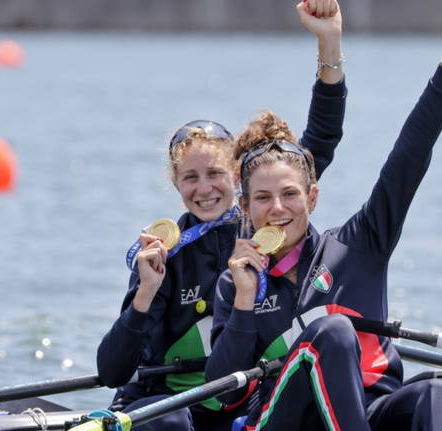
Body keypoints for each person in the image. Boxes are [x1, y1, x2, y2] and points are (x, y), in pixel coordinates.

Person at [206, 2, 442, 430]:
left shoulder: (359, 244)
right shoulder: (235, 281)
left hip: (368, 411)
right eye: (263, 198)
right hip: (282, 419)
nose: (277, 209)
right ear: (245, 207)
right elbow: (223, 396)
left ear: (312, 198)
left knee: (435, 391)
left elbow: (408, 157)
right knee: (332, 332)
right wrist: (244, 302)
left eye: (290, 194)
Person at [96, 1, 346, 430]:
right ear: (176, 185)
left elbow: (321, 138)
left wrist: (329, 42)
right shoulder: (163, 254)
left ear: (236, 178)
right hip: (166, 406)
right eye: (190, 178)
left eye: (214, 173)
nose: (204, 188)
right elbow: (111, 372)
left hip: (242, 403)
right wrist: (144, 293)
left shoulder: (266, 216)